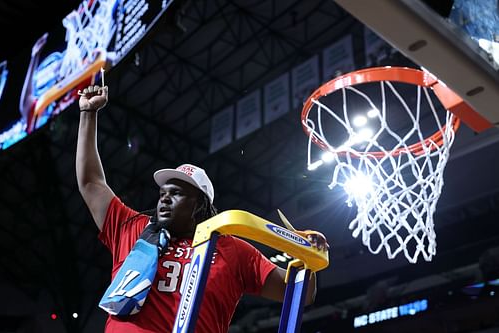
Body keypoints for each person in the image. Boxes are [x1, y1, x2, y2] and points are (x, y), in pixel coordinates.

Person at [76, 84, 328, 333]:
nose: (164, 199)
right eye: (162, 193)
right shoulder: (134, 227)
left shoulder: (233, 250)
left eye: (176, 194)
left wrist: (307, 256)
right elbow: (91, 183)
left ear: (199, 204)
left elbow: (301, 294)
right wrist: (88, 114)